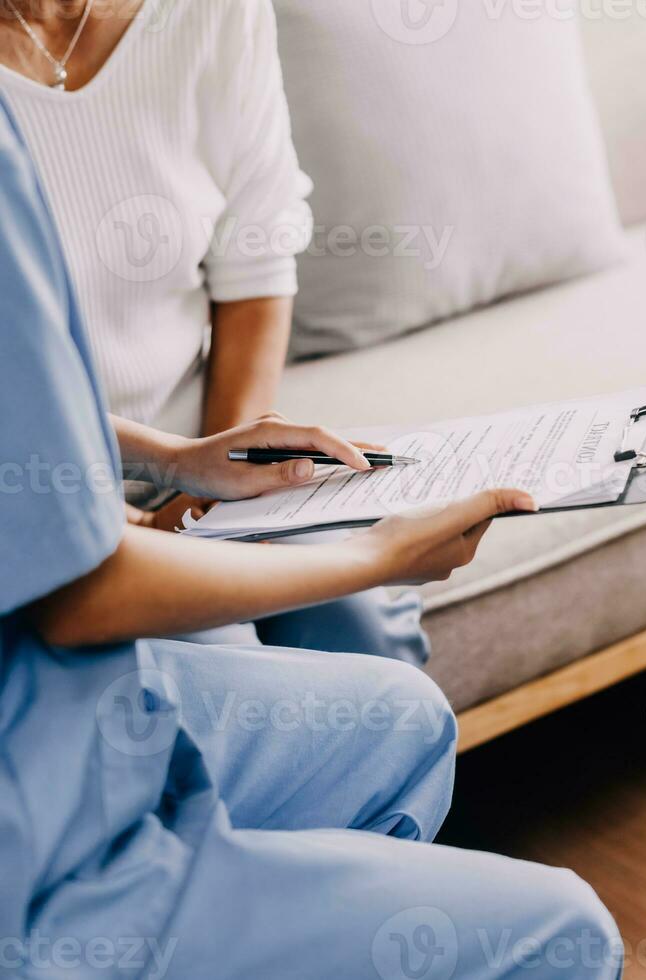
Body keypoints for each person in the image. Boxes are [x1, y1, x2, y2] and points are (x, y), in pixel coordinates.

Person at [0, 97, 624, 979]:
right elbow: (77, 591)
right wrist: (371, 557)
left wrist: (177, 459)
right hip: (33, 815)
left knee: (401, 714)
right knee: (566, 929)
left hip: (51, 689)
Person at [0, 0, 431, 667]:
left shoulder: (214, 11)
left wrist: (210, 490)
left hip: (202, 440)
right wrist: (158, 490)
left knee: (361, 624)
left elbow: (255, 263)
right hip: (39, 489)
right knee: (216, 651)